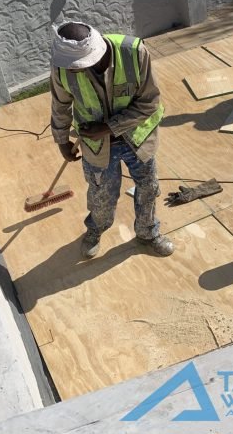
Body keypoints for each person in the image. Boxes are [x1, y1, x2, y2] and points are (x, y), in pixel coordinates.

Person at [50, 21, 173, 259]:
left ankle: (148, 233)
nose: (72, 70)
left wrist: (108, 127)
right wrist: (62, 140)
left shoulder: (134, 52)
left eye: (78, 66)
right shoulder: (63, 65)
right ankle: (95, 230)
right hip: (97, 146)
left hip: (137, 137)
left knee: (148, 188)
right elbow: (60, 105)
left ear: (95, 54)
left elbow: (149, 102)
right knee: (101, 195)